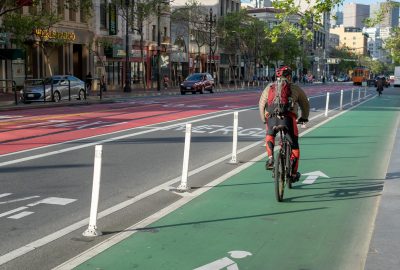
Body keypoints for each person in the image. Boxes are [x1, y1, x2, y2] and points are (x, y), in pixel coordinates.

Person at [258, 66, 310, 182]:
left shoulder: (269, 88)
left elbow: (261, 104)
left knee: (270, 136)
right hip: (288, 120)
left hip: (271, 119)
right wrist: (304, 118)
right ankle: (293, 174)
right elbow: (305, 104)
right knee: (295, 146)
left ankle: (271, 158)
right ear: (289, 77)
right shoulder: (295, 88)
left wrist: (263, 119)